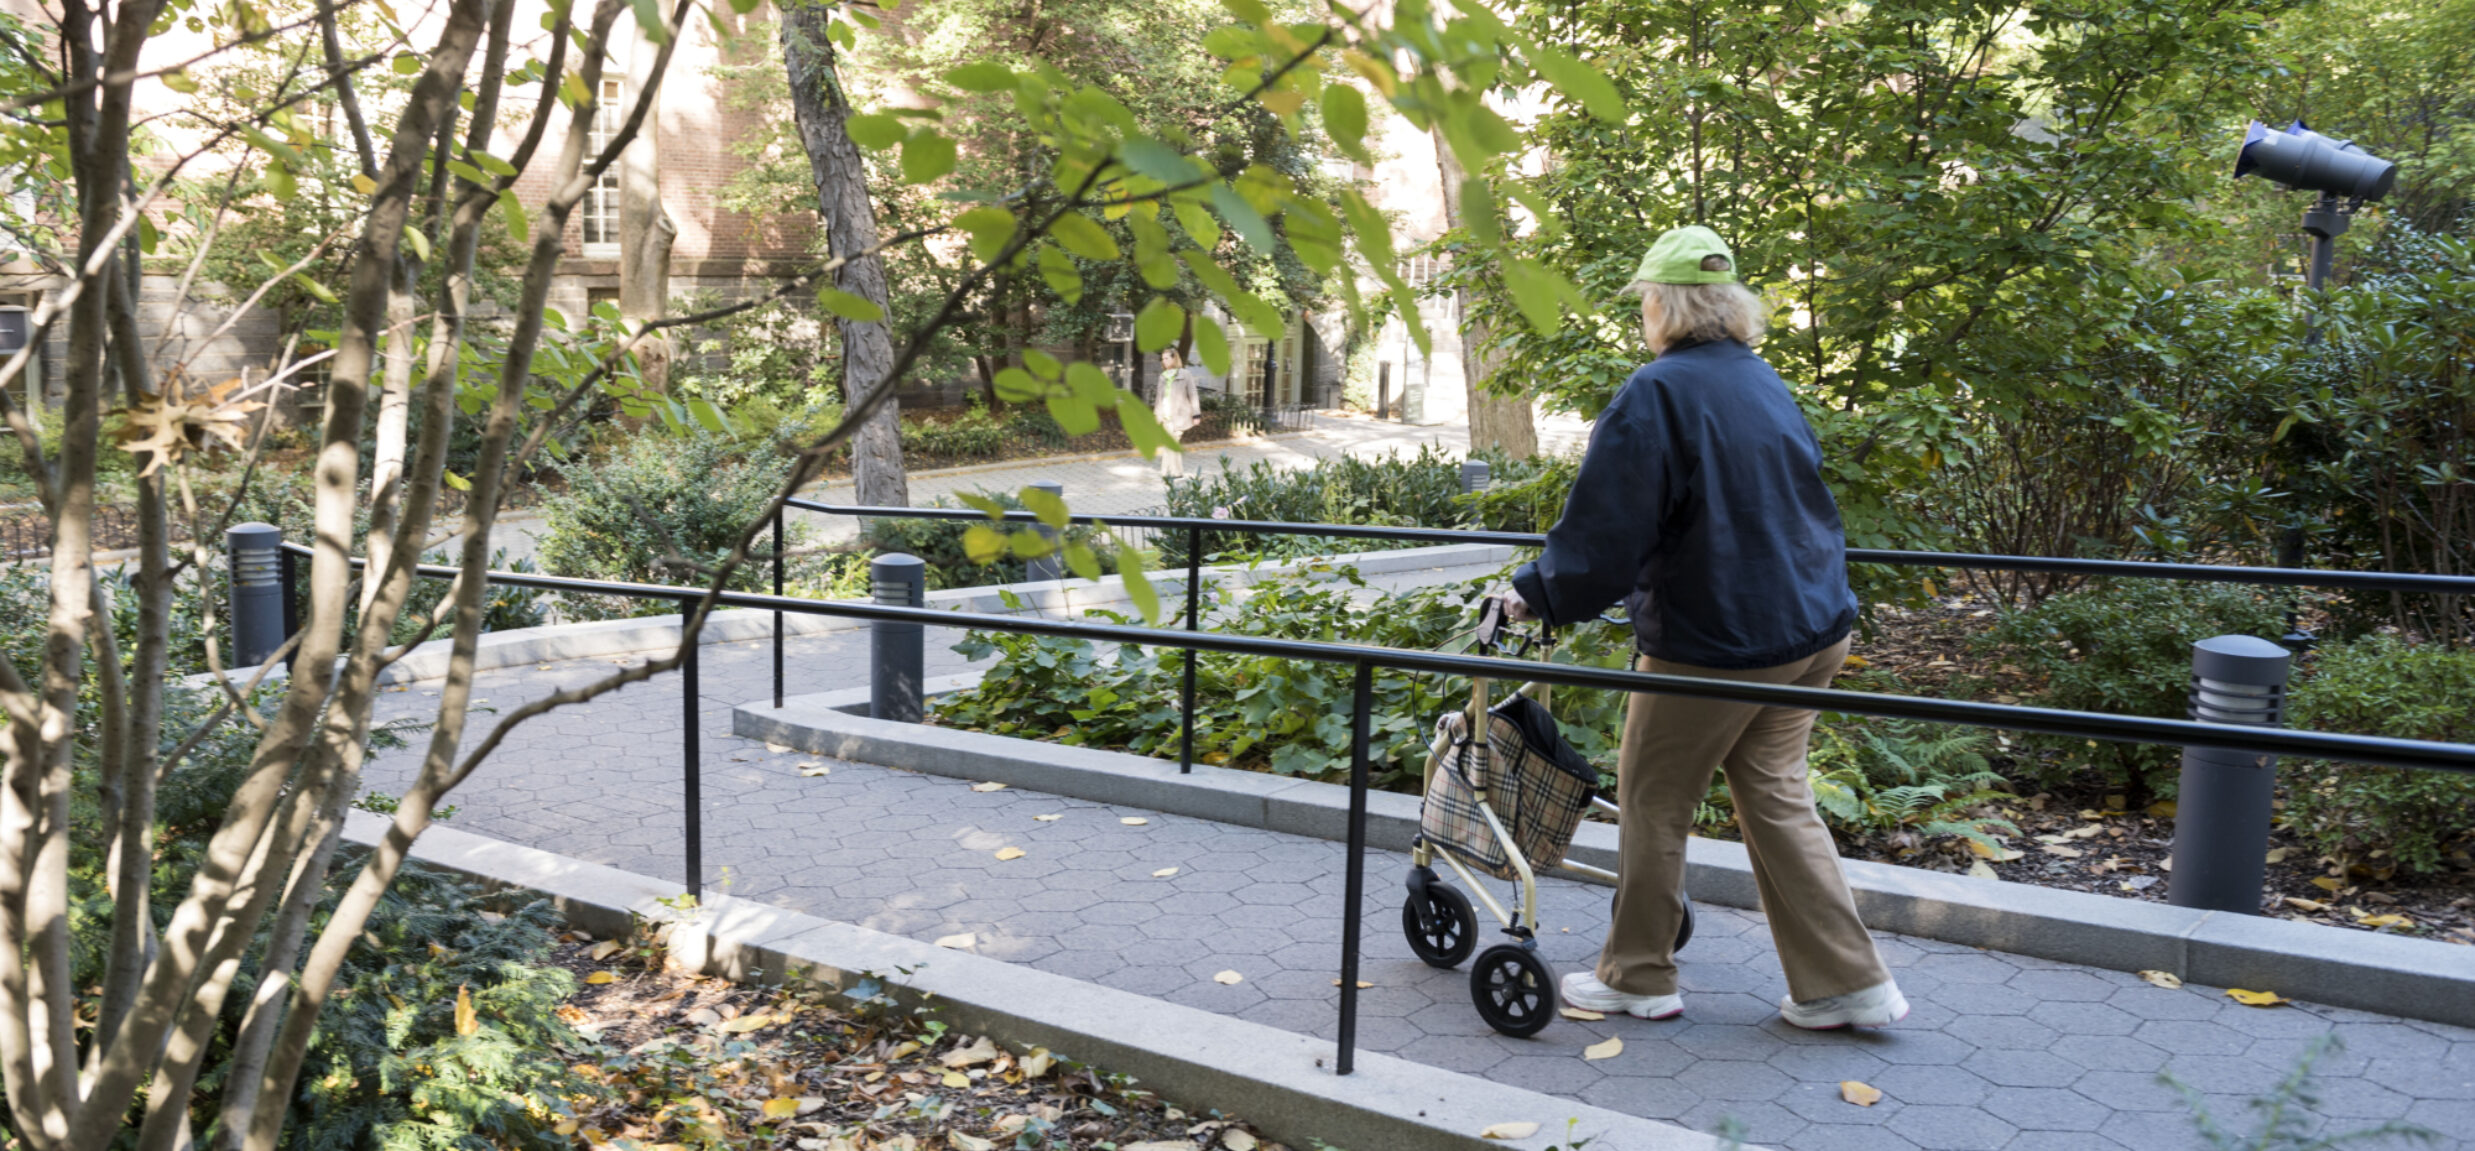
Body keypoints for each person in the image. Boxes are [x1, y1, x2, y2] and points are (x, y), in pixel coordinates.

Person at [1501, 225, 1906, 1030]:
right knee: (1777, 795)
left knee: (1654, 798)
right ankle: (1847, 983)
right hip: (1811, 627)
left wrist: (1535, 593)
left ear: (1661, 305)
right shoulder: (1759, 379)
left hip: (1720, 642)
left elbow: (1607, 530)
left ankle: (1637, 975)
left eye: (1643, 302)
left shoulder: (1656, 391)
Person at [1151, 348, 1200, 477]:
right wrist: (1156, 415)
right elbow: (1159, 398)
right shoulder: (1163, 376)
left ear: (1174, 358)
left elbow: (1193, 394)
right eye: (1163, 359)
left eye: (1167, 358)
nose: (1164, 361)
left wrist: (1196, 414)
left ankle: (1166, 471)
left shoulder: (1185, 374)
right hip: (1165, 415)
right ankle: (1176, 472)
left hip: (1179, 416)